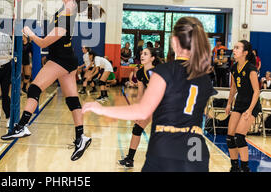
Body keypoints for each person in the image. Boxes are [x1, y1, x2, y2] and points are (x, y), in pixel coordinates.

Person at [1, 0, 110, 162]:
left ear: (74, 4)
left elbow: (43, 43)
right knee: (72, 100)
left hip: (60, 60)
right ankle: (81, 137)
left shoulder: (66, 20)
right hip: (67, 60)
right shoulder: (65, 8)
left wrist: (28, 32)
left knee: (35, 88)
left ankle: (21, 127)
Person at [83, 16, 214, 172]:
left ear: (174, 41)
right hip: (196, 148)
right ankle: (130, 157)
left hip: (167, 145)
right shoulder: (205, 76)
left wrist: (102, 109)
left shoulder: (164, 71)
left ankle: (130, 158)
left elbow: (143, 110)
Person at [118, 47, 160, 168]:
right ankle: (130, 159)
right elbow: (140, 94)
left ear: (152, 58)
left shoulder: (157, 72)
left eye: (146, 54)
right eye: (142, 54)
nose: (142, 56)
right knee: (137, 129)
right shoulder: (141, 72)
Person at [225, 40, 261, 172]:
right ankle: (234, 167)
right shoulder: (234, 67)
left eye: (237, 48)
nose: (234, 50)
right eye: (234, 48)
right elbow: (233, 88)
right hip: (239, 104)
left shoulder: (251, 68)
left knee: (239, 136)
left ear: (245, 52)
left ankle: (245, 168)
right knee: (230, 137)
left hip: (251, 105)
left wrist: (250, 110)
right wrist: (229, 103)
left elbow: (257, 91)